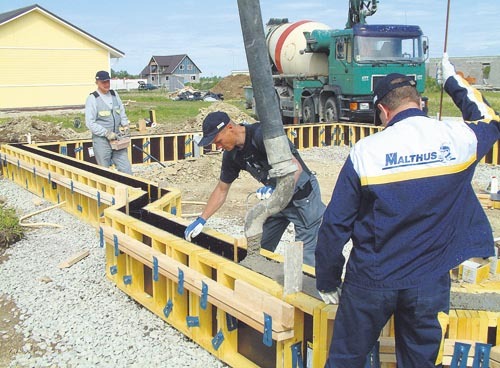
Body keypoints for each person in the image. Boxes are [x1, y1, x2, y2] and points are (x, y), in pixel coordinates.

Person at [315, 54, 500, 368]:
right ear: (421, 103)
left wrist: (328, 280)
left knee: (346, 359)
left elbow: (335, 225)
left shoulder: (366, 152)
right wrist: (452, 80)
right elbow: (488, 119)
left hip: (370, 280)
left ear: (383, 110)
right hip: (428, 280)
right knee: (419, 362)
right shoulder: (458, 140)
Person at [184, 111, 325, 266]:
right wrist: (201, 219)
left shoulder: (263, 136)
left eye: (218, 141)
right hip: (276, 202)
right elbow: (221, 189)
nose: (217, 146)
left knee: (306, 260)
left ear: (230, 128)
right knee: (257, 251)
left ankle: (315, 287)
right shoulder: (232, 155)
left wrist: (277, 188)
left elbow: (295, 168)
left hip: (302, 199)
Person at [85, 70, 132, 175]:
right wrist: (106, 133)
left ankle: (129, 189)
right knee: (104, 171)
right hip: (102, 141)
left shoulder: (114, 95)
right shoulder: (92, 99)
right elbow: (90, 123)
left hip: (117, 138)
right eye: (103, 82)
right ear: (97, 82)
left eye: (108, 82)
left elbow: (121, 112)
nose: (106, 85)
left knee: (126, 168)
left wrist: (125, 124)